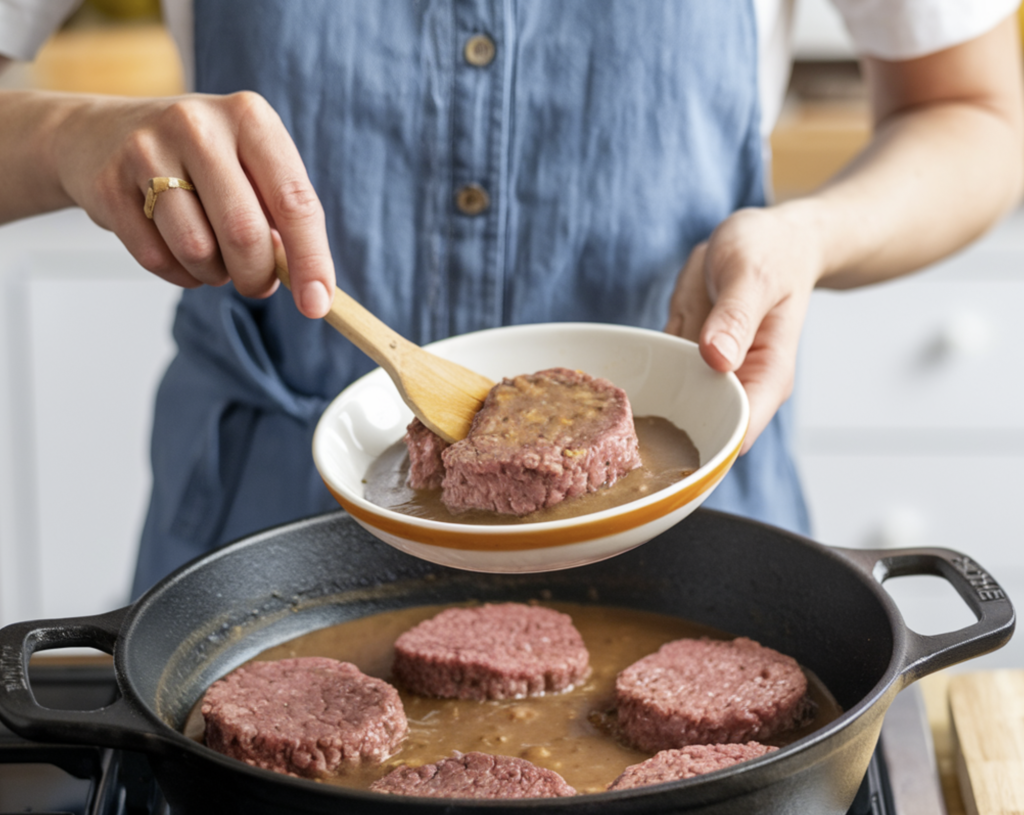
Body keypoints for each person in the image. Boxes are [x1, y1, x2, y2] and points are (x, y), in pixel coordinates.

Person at [0, 1, 1021, 596]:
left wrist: (807, 236)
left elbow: (977, 111)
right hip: (267, 556)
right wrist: (62, 136)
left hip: (685, 545)